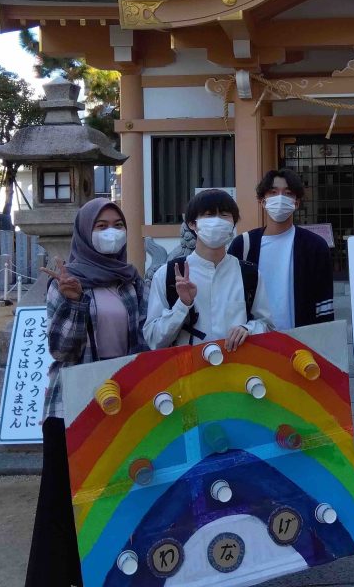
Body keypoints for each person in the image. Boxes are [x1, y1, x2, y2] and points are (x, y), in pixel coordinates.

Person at [26, 198, 149, 587]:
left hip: (122, 403)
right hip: (73, 408)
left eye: (117, 223)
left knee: (119, 495)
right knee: (64, 503)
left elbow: (144, 341)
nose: (111, 231)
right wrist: (75, 301)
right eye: (100, 225)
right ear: (84, 232)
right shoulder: (65, 281)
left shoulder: (131, 280)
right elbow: (62, 350)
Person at [144, 188, 273, 348]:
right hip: (188, 370)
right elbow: (153, 339)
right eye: (209, 215)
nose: (217, 221)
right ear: (192, 224)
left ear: (233, 223)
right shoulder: (167, 275)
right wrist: (182, 304)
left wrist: (248, 329)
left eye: (224, 215)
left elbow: (267, 326)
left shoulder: (249, 275)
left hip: (237, 369)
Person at [228, 168, 333, 330]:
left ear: (296, 202)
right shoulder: (243, 245)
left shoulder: (315, 246)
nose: (280, 198)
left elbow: (324, 304)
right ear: (263, 201)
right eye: (273, 192)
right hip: (254, 342)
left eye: (288, 193)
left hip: (300, 343)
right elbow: (230, 298)